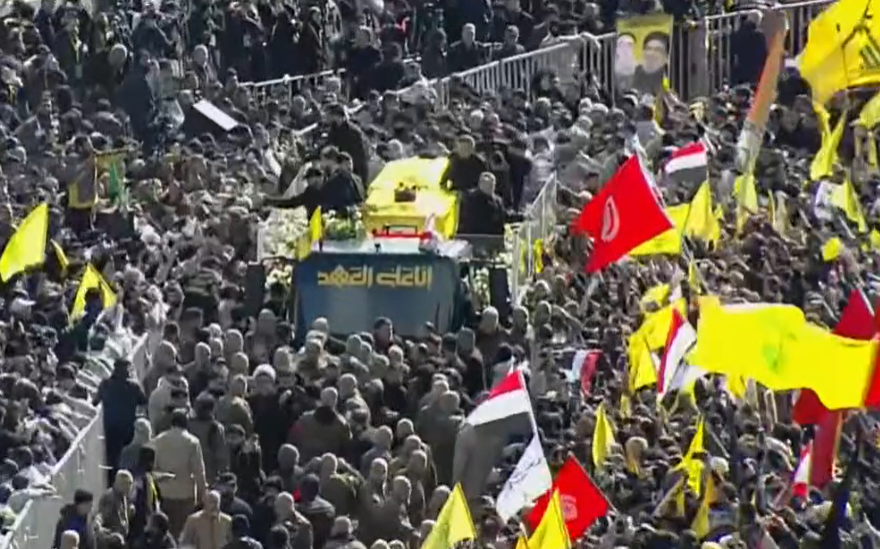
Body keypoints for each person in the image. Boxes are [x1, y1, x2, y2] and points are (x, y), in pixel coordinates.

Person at [152, 409, 208, 537]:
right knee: (183, 532)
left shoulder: (158, 440)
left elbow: (153, 469)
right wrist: (203, 494)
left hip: (164, 493)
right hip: (186, 494)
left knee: (165, 531)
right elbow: (199, 471)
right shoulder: (192, 442)